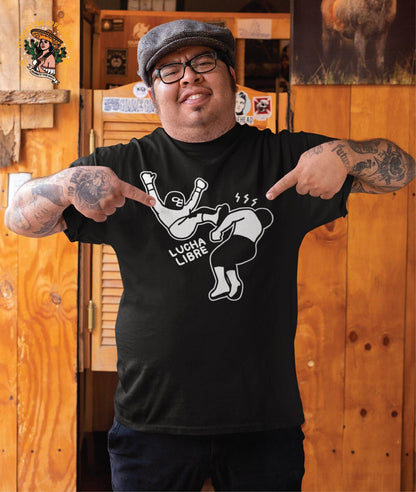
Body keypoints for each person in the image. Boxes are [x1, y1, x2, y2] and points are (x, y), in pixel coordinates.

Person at [5, 19, 415, 492]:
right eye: (169, 70)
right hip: (150, 422)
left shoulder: (283, 156)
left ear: (231, 78)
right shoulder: (120, 166)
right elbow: (18, 219)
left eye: (205, 62)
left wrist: (346, 155)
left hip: (262, 423)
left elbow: (401, 168)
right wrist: (62, 187)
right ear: (150, 92)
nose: (190, 77)